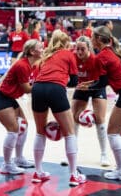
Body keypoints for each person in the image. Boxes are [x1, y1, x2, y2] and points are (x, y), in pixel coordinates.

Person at [77, 26, 121, 181]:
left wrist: (87, 86)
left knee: (112, 132)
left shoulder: (101, 57)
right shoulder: (112, 51)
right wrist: (88, 84)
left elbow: (101, 83)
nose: (91, 39)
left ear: (99, 39)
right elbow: (106, 80)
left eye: (93, 37)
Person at [31, 29, 86, 186]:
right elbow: (75, 81)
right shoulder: (69, 54)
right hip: (55, 89)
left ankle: (38, 172)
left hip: (38, 88)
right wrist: (63, 81)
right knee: (70, 133)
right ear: (66, 42)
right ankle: (74, 175)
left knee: (40, 132)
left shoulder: (46, 56)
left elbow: (38, 75)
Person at [0, 39, 43, 175]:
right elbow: (26, 89)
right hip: (0, 97)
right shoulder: (22, 65)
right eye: (39, 47)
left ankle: (18, 158)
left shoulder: (33, 65)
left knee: (23, 126)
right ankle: (6, 165)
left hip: (9, 97)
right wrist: (44, 86)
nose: (42, 49)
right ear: (32, 51)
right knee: (13, 129)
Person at [72, 36, 110, 167]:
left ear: (89, 49)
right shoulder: (73, 58)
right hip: (82, 87)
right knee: (74, 118)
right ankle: (73, 152)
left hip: (96, 86)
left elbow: (98, 81)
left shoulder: (95, 60)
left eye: (82, 49)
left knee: (100, 119)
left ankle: (104, 154)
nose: (79, 52)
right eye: (78, 49)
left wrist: (85, 85)